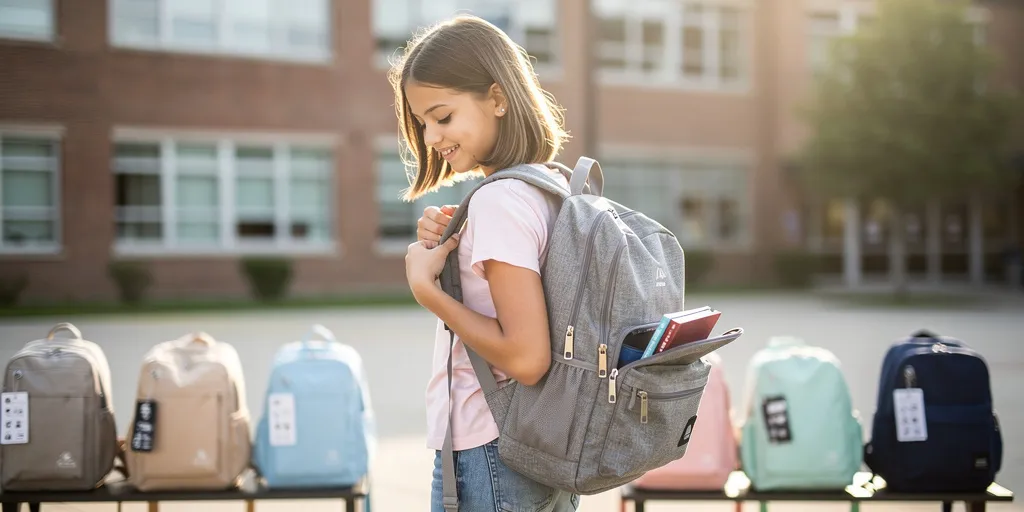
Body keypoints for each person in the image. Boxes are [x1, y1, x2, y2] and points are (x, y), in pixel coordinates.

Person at [391, 14, 581, 512]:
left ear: (497, 99)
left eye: (443, 116)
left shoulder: (500, 201)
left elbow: (525, 357)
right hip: (544, 443)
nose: (430, 137)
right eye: (422, 122)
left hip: (492, 449)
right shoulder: (550, 187)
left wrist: (428, 290)